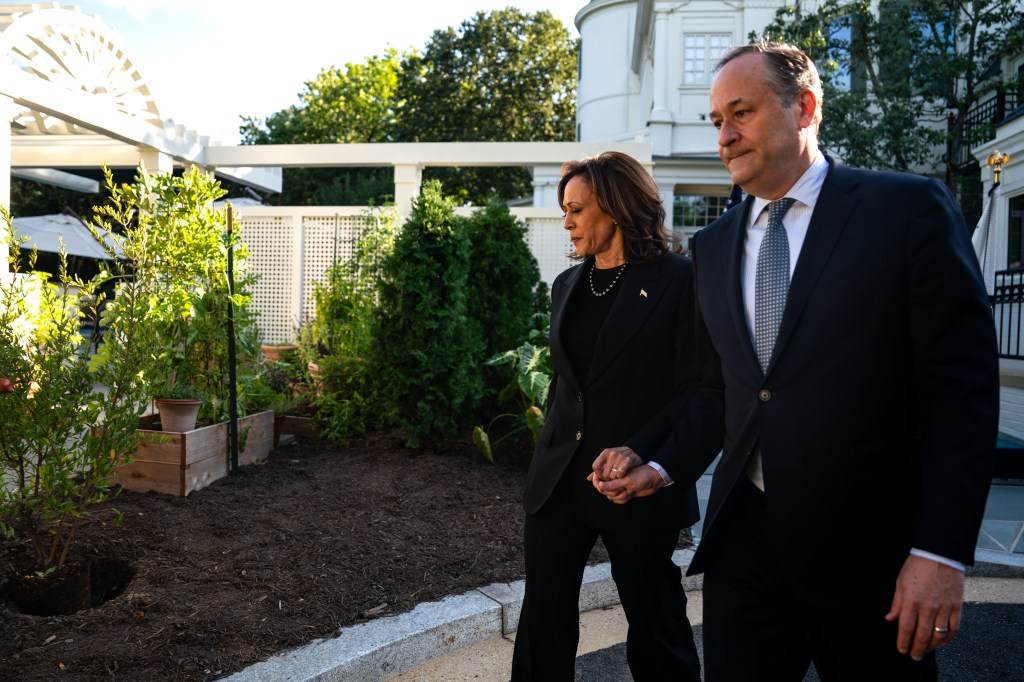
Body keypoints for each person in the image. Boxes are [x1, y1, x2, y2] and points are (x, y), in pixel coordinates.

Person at [596, 41, 999, 680]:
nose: (725, 135)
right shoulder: (713, 245)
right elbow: (719, 392)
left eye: (742, 113)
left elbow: (961, 391)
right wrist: (661, 465)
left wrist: (940, 551)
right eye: (716, 120)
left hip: (873, 555)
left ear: (804, 106)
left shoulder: (906, 212)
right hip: (746, 548)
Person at [510, 151, 722, 681]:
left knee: (655, 620)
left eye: (577, 209)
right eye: (565, 210)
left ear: (614, 206)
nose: (567, 222)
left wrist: (646, 454)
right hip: (559, 479)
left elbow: (699, 389)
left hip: (635, 483)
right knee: (543, 618)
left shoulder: (680, 281)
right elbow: (568, 386)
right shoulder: (566, 285)